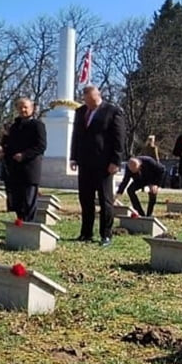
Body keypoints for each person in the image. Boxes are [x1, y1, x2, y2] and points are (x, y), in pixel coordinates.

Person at [69, 85, 126, 245]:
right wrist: (74, 157)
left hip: (104, 163)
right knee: (85, 198)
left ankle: (106, 234)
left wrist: (116, 161)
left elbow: (119, 138)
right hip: (85, 162)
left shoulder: (112, 111)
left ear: (98, 95)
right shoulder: (80, 112)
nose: (89, 103)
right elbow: (76, 136)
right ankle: (86, 233)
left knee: (105, 200)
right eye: (86, 100)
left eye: (91, 99)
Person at [3, 97, 47, 221]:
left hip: (30, 169)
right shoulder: (14, 126)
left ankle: (29, 225)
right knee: (17, 200)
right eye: (20, 107)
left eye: (26, 107)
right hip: (15, 169)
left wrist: (24, 155)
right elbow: (10, 145)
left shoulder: (37, 125)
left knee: (28, 201)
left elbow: (41, 146)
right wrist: (4, 151)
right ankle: (20, 222)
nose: (23, 110)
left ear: (32, 108)